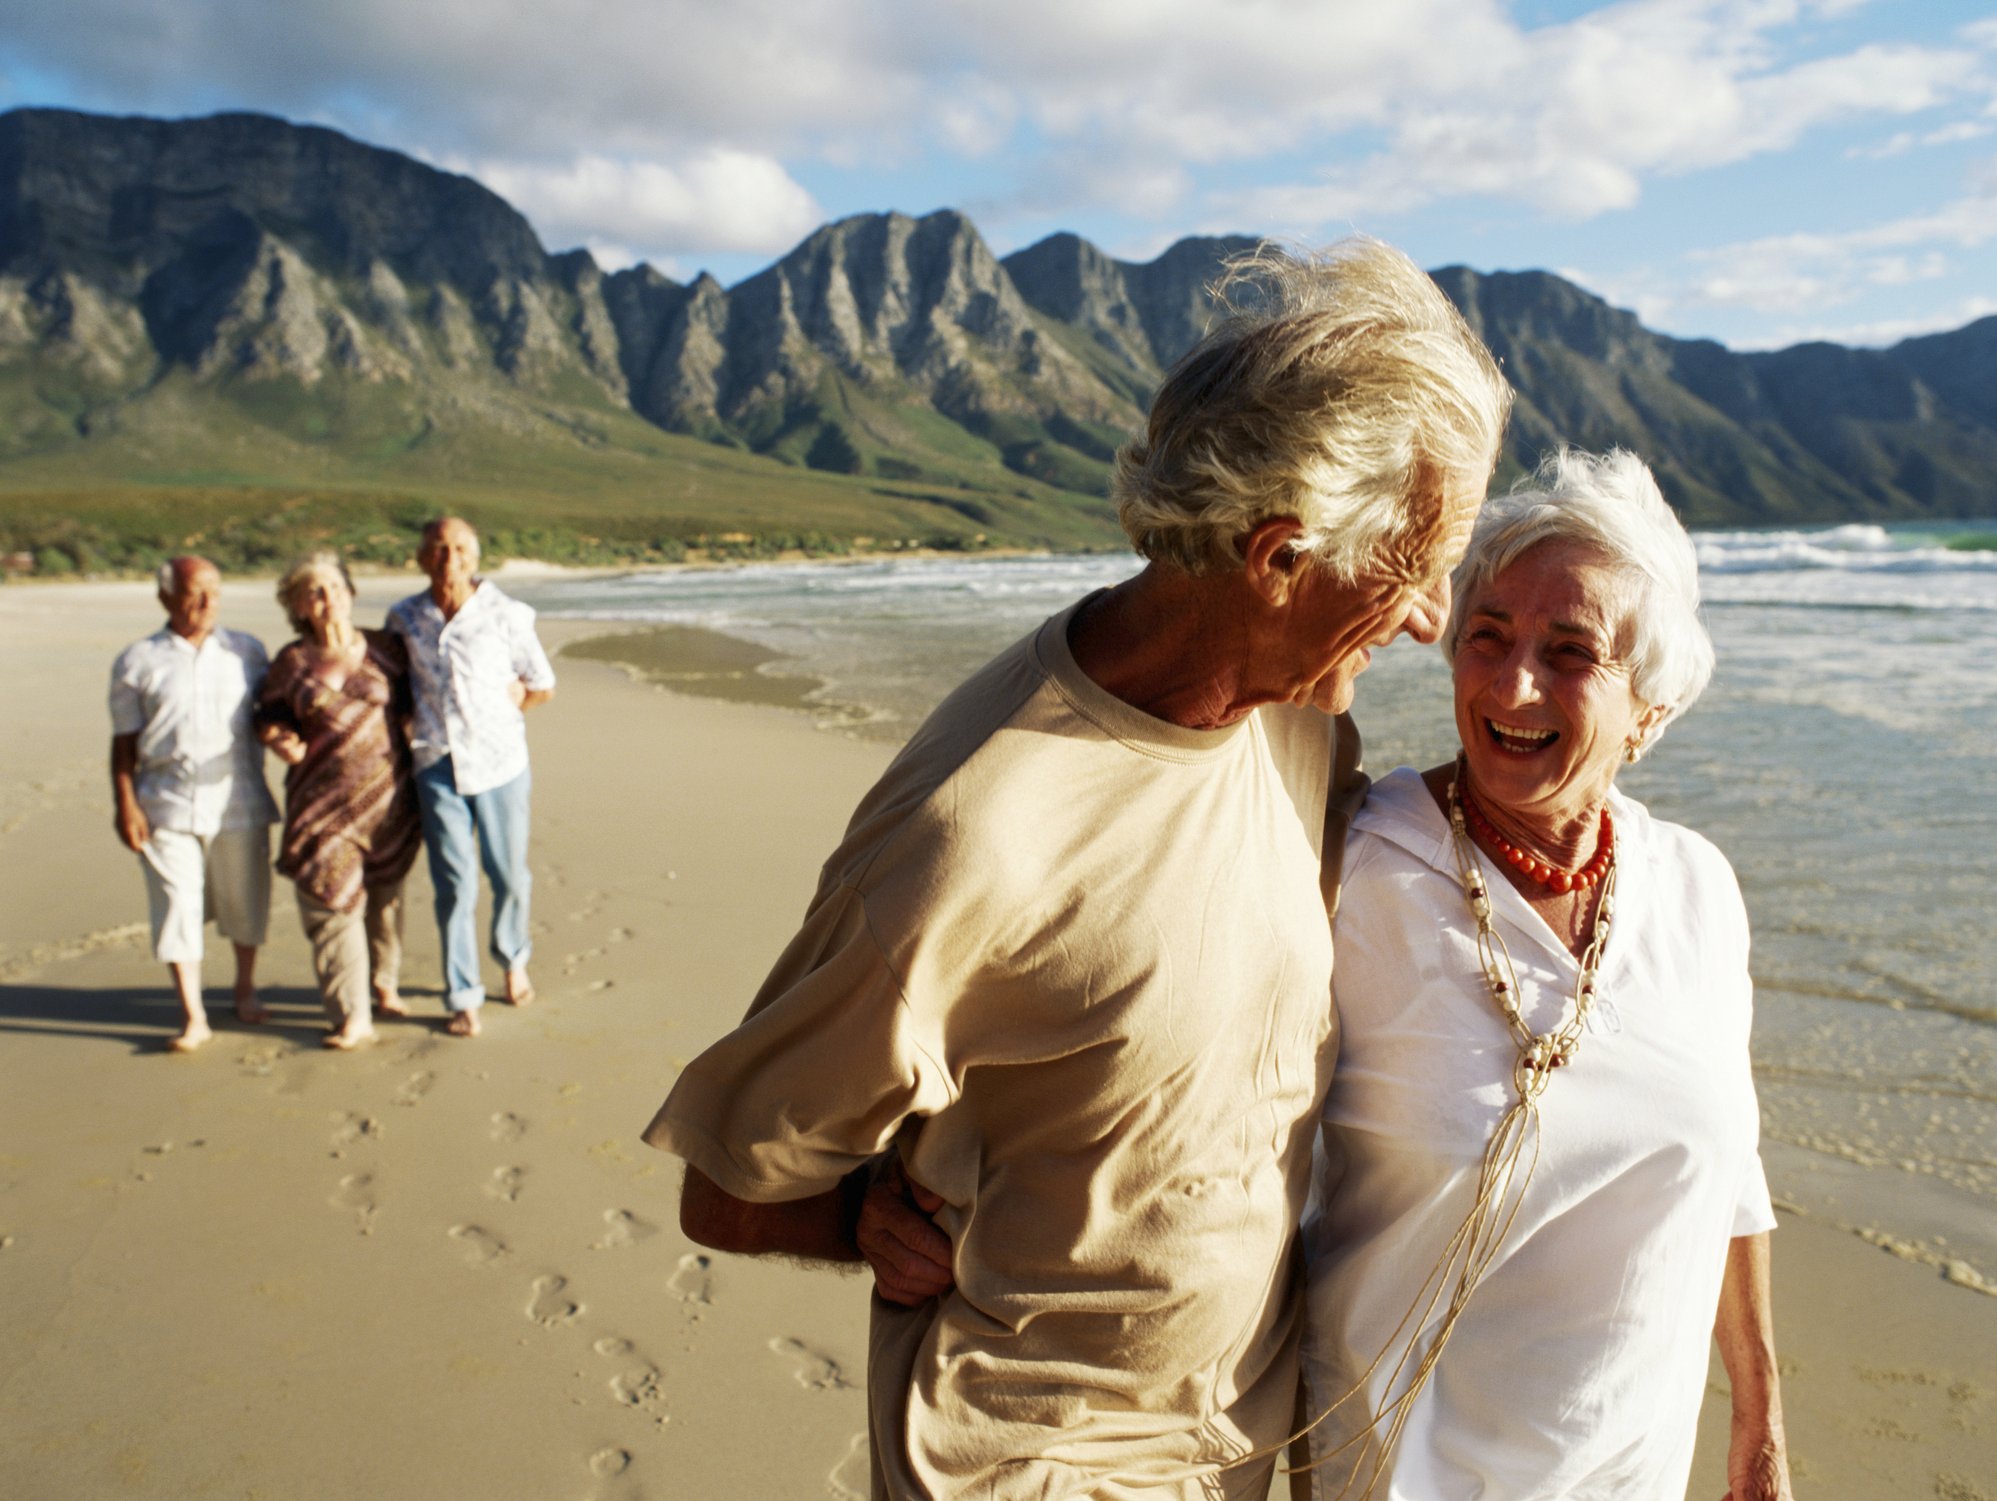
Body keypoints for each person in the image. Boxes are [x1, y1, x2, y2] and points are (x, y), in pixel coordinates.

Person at [643, 238, 1512, 1499]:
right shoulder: (969, 835)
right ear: (1277, 559)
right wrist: (854, 1218)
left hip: (1236, 1449)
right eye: (1416, 569)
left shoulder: (1297, 719)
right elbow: (727, 1192)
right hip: (1030, 1465)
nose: (1431, 617)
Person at [1293, 448, 1791, 1501]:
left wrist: (1757, 1415)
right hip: (1396, 1468)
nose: (1512, 684)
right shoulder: (1356, 863)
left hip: (1628, 1472)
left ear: (1647, 705)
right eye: (1486, 637)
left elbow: (1728, 1171)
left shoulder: (1695, 887)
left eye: (1569, 651)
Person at [387, 517, 556, 1039]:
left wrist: (513, 705)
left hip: (502, 763)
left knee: (507, 874)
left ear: (474, 555)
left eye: (459, 547)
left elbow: (543, 683)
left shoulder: (506, 613)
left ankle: (512, 960)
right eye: (438, 548)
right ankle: (462, 993)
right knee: (453, 884)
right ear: (421, 557)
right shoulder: (405, 617)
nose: (448, 557)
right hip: (436, 764)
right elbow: (392, 686)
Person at [109, 555, 278, 1052]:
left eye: (215, 591)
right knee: (177, 905)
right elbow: (123, 743)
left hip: (239, 796)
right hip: (164, 801)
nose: (207, 602)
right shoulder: (137, 660)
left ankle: (244, 989)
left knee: (244, 898)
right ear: (165, 597)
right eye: (194, 592)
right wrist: (125, 804)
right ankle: (193, 1013)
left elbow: (273, 712)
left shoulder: (246, 651)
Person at [256, 553, 423, 1050]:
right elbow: (267, 714)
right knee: (331, 904)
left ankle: (382, 984)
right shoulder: (292, 662)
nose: (328, 599)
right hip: (321, 807)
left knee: (386, 901)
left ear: (351, 592)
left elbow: (424, 702)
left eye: (334, 587)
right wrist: (279, 736)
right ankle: (351, 1015)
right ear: (299, 605)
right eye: (314, 591)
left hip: (391, 803)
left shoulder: (388, 649)